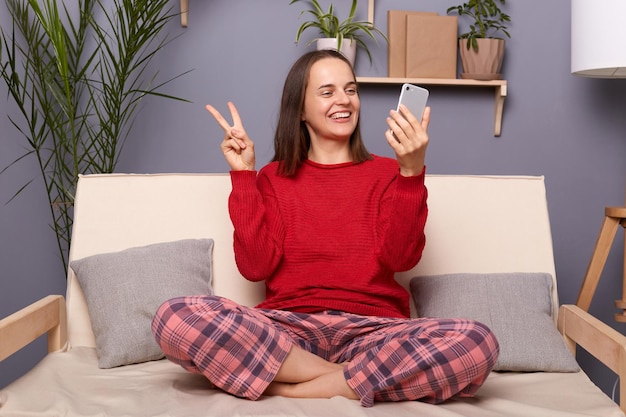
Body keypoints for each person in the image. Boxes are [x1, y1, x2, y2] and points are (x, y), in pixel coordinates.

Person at [151, 49, 499, 407]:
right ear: (300, 110)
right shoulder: (272, 177)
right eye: (328, 91)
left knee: (477, 341)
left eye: (350, 90)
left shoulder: (388, 173)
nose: (344, 101)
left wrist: (411, 173)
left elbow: (402, 258)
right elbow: (255, 268)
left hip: (374, 334)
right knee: (173, 317)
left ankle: (290, 385)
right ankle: (345, 378)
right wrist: (244, 176)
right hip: (288, 331)